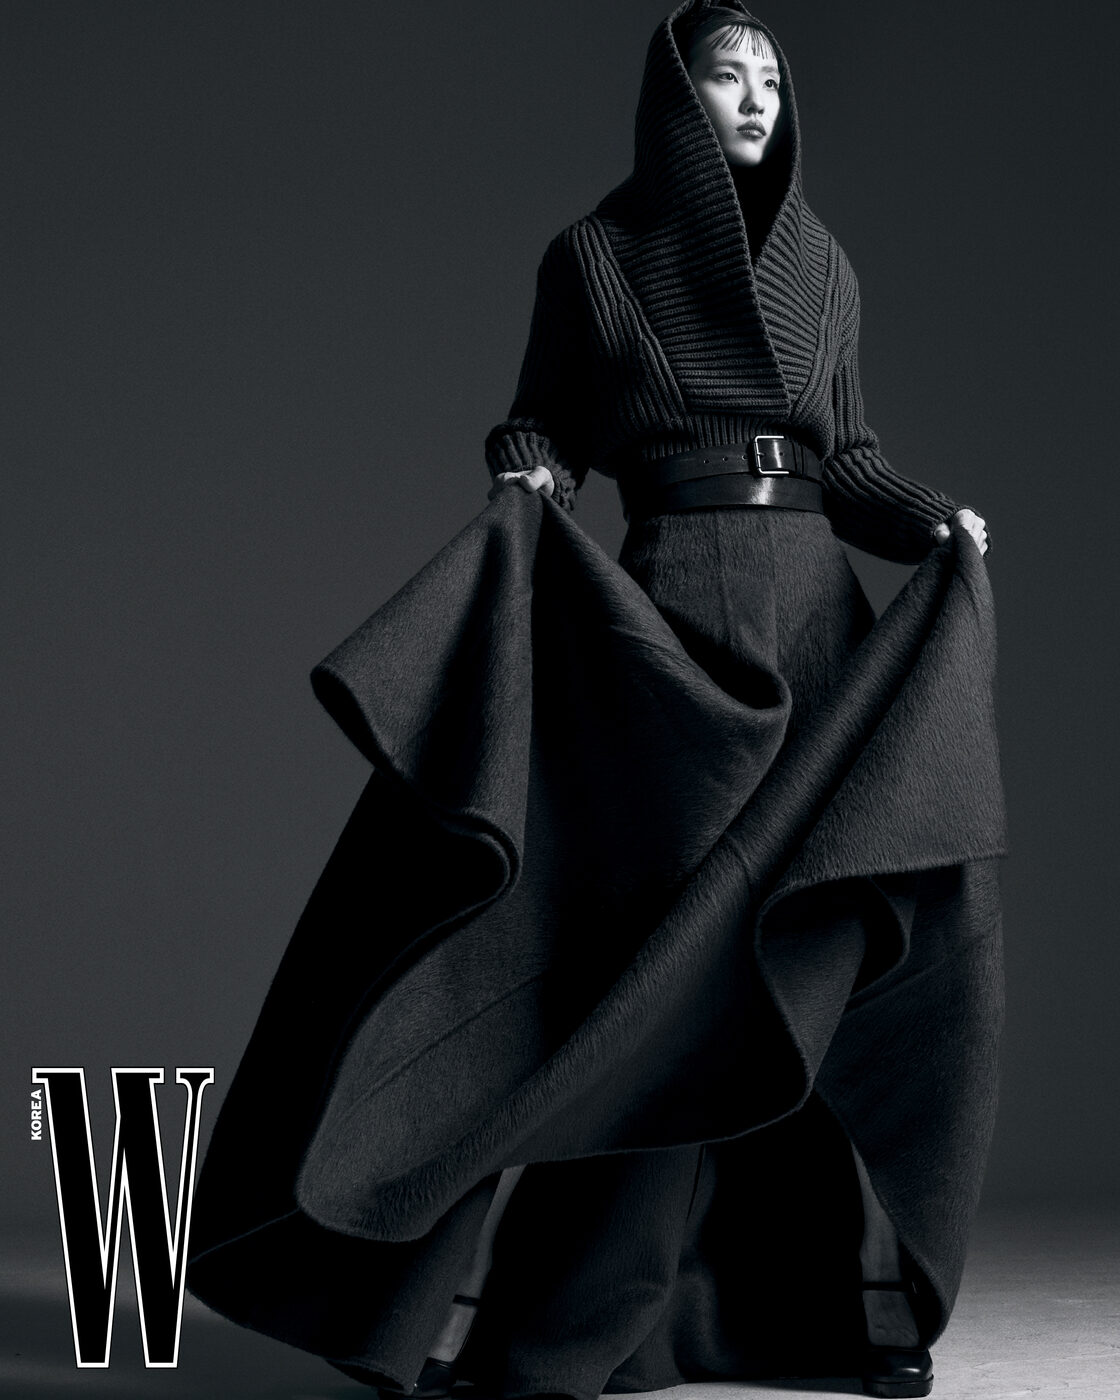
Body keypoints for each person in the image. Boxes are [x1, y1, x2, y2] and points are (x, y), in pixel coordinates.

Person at [186, 6, 1004, 1399]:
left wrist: (937, 520)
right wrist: (530, 474)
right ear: (676, 98)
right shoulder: (598, 256)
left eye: (771, 78)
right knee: (652, 986)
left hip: (817, 618)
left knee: (797, 959)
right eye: (726, 76)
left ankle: (809, 1318)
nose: (756, 99)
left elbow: (849, 457)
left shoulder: (825, 268)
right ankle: (549, 1336)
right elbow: (541, 418)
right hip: (669, 627)